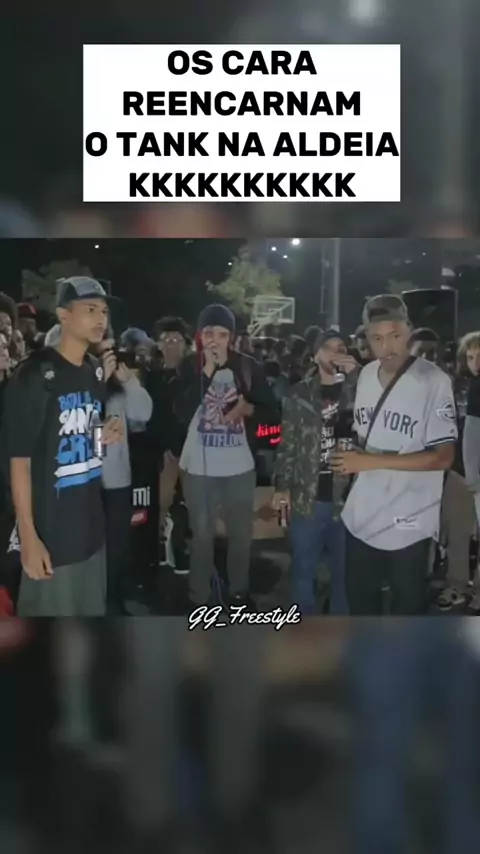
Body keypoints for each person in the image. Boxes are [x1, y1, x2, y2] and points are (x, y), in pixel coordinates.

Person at [3, 276, 123, 617]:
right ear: (63, 315)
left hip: (92, 531)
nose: (100, 318)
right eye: (90, 309)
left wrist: (105, 433)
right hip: (52, 537)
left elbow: (88, 445)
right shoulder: (35, 374)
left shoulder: (94, 371)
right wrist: (28, 537)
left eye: (104, 311)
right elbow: (18, 461)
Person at [332, 294, 457, 616]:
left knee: (406, 612)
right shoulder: (365, 376)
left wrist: (368, 461)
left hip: (408, 521)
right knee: (361, 606)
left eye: (395, 335)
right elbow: (365, 435)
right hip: (362, 515)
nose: (387, 346)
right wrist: (351, 456)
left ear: (409, 330)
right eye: (377, 338)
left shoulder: (433, 380)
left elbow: (443, 457)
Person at [175, 304, 276, 609]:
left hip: (239, 467)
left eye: (222, 334)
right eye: (209, 333)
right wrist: (206, 371)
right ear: (200, 336)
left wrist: (248, 409)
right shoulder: (189, 366)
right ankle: (199, 598)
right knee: (202, 537)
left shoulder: (247, 367)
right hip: (197, 468)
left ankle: (238, 593)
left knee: (240, 536)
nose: (215, 341)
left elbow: (273, 412)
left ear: (231, 337)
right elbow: (180, 411)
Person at [272, 330, 358, 615]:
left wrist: (356, 376)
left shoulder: (357, 391)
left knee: (346, 574)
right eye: (329, 347)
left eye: (341, 347)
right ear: (316, 354)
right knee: (303, 569)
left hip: (347, 498)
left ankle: (341, 630)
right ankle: (305, 630)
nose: (336, 352)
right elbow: (287, 444)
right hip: (306, 497)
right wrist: (282, 487)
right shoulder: (299, 394)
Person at [98, 338, 153, 614]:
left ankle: (113, 595)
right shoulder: (78, 377)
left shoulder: (120, 384)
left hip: (118, 478)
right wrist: (98, 380)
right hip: (85, 483)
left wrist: (130, 382)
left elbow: (144, 413)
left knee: (118, 542)